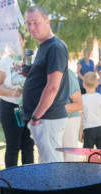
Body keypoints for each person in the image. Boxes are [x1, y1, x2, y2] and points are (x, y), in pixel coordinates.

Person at [23, 5, 69, 163]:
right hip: (44, 118)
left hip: (47, 117)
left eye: (36, 22)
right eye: (28, 23)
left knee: (52, 169)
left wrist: (36, 116)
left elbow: (53, 87)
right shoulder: (44, 46)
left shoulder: (54, 47)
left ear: (47, 21)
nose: (31, 27)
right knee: (47, 167)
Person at [0, 30, 34, 168]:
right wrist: (11, 92)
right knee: (13, 147)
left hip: (29, 108)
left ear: (23, 41)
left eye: (18, 39)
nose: (15, 43)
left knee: (28, 146)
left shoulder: (31, 60)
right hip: (10, 108)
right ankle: (11, 183)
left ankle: (29, 182)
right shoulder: (4, 63)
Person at [81, 72, 101, 149]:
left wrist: (80, 132)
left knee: (87, 153)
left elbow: (81, 117)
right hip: (100, 128)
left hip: (88, 129)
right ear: (97, 84)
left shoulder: (82, 99)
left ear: (84, 84)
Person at [62, 69, 83, 162]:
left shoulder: (67, 74)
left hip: (69, 119)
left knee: (69, 158)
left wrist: (54, 108)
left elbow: (79, 104)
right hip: (50, 122)